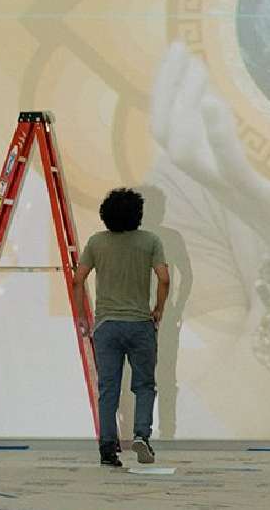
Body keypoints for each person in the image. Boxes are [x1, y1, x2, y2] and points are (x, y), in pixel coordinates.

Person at [74, 187, 170, 467]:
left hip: (106, 326)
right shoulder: (150, 241)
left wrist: (82, 316)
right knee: (144, 385)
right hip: (140, 324)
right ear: (138, 214)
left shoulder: (96, 243)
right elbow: (164, 279)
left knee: (108, 389)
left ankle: (107, 447)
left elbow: (78, 280)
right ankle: (141, 435)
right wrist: (159, 309)